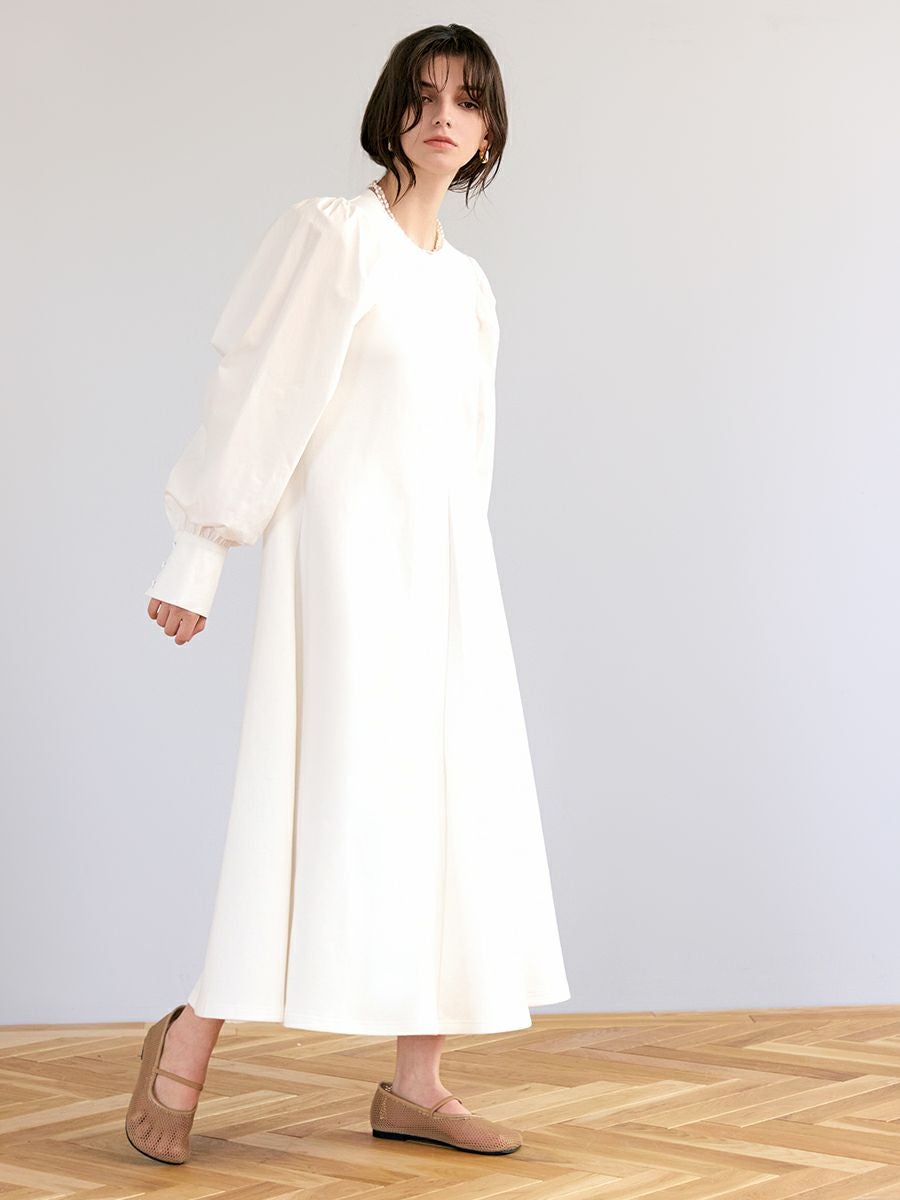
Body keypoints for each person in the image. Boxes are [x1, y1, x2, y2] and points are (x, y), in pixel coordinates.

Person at [126, 23, 570, 1164]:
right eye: (424, 95)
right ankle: (188, 1036)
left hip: (447, 577)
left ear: (488, 133)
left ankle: (419, 1084)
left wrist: (465, 583)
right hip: (343, 566)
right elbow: (260, 392)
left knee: (441, 811)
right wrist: (201, 552)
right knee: (313, 798)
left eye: (466, 101)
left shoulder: (467, 287)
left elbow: (467, 454)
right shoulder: (335, 236)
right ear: (392, 113)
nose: (443, 115)